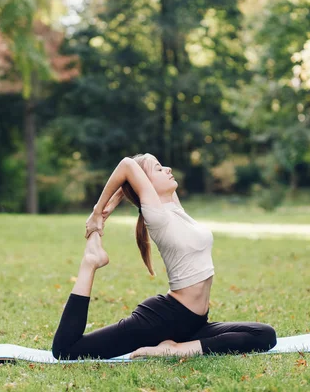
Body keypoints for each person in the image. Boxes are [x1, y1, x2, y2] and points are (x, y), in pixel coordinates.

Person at [51, 153, 277, 360]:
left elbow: (129, 180)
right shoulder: (157, 215)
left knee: (264, 335)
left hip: (194, 322)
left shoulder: (174, 207)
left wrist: (115, 200)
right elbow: (127, 166)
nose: (168, 169)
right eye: (158, 169)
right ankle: (90, 261)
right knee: (67, 350)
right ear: (146, 186)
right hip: (164, 320)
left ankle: (178, 347)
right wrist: (97, 211)